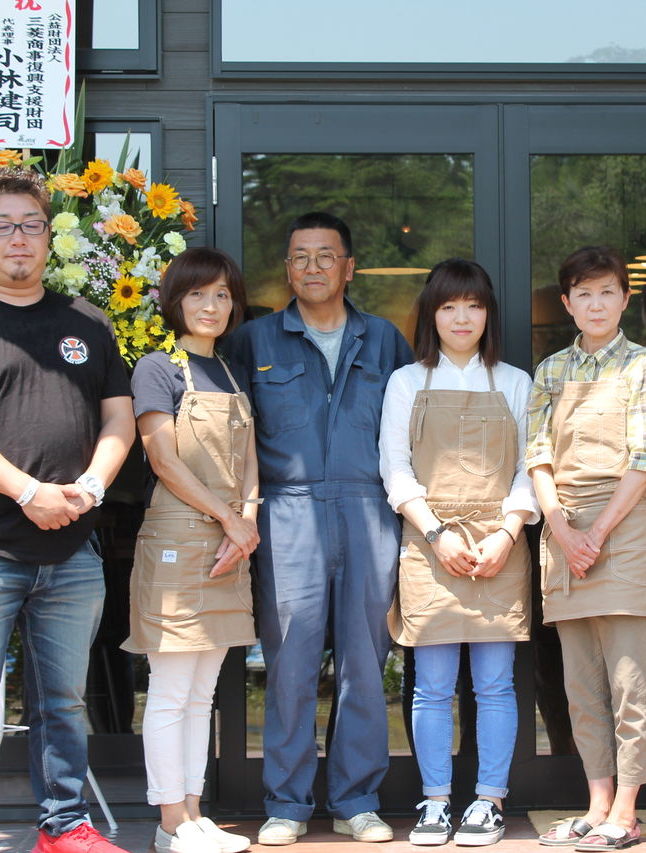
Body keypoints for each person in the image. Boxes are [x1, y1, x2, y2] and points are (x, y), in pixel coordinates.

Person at [0, 168, 135, 853]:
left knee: (63, 700)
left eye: (31, 225)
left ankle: (64, 826)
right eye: (2, 226)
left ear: (48, 235)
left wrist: (90, 488)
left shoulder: (87, 322)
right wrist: (29, 492)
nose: (18, 238)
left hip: (72, 548)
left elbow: (119, 419)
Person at [225, 211, 414, 845]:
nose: (313, 267)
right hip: (287, 513)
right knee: (291, 665)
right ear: (287, 269)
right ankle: (287, 803)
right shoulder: (253, 342)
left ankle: (356, 800)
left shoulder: (384, 340)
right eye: (300, 257)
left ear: (348, 267)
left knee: (365, 663)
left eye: (325, 256)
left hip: (369, 510)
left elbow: (412, 431)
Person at [378, 259, 538, 847]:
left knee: (495, 684)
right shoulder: (406, 381)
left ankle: (489, 801)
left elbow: (531, 467)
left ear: (488, 313)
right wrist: (436, 533)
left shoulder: (515, 382)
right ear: (432, 314)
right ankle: (436, 801)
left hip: (499, 542)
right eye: (449, 306)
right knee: (432, 685)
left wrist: (508, 533)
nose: (462, 317)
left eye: (473, 305)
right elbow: (395, 469)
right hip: (430, 543)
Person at [527, 246, 646, 852]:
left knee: (629, 682)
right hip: (563, 532)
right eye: (583, 294)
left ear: (625, 299)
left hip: (624, 527)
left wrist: (598, 531)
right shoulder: (551, 370)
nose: (595, 304)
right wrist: (562, 530)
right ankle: (597, 803)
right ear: (567, 303)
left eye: (607, 292)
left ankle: (628, 811)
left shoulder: (643, 365)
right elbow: (537, 456)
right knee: (581, 685)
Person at [123, 248, 260, 853]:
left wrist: (248, 519)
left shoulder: (230, 371)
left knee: (203, 693)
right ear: (175, 301)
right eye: (198, 294)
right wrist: (231, 519)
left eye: (222, 295)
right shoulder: (157, 369)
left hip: (231, 541)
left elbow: (250, 460)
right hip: (180, 538)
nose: (211, 306)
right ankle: (170, 821)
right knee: (172, 689)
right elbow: (163, 460)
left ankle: (195, 814)